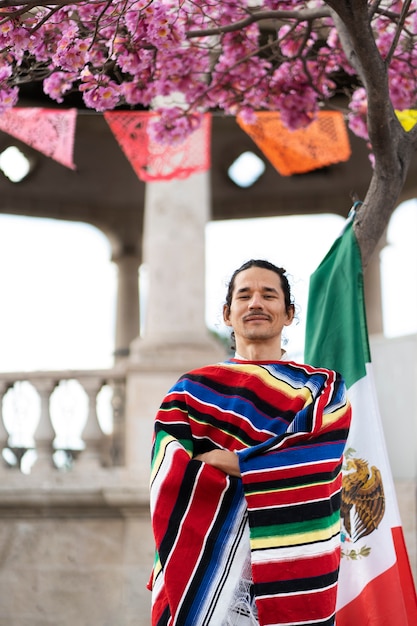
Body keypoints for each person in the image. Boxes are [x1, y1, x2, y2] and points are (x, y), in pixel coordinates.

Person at [148, 259, 351, 626]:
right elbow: (168, 471)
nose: (256, 303)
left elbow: (316, 457)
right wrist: (266, 466)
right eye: (245, 295)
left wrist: (234, 463)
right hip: (204, 570)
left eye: (269, 295)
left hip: (294, 566)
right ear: (228, 314)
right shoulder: (191, 390)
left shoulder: (322, 387)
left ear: (289, 314)